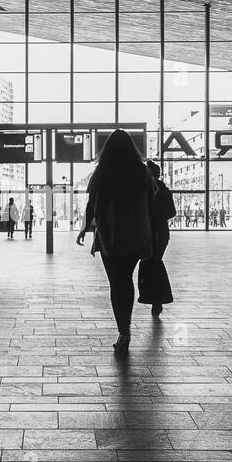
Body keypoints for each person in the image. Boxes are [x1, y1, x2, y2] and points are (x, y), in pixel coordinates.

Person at [77, 129, 156, 353]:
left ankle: (123, 330)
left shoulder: (102, 171)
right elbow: (151, 201)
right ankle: (126, 328)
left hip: (110, 234)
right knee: (126, 280)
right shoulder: (141, 172)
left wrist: (84, 229)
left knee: (116, 282)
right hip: (135, 234)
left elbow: (92, 204)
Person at [137, 160, 175, 316]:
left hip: (150, 231)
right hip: (162, 232)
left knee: (149, 263)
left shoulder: (144, 190)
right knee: (155, 262)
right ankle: (156, 300)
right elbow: (172, 212)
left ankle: (154, 297)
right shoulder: (165, 190)